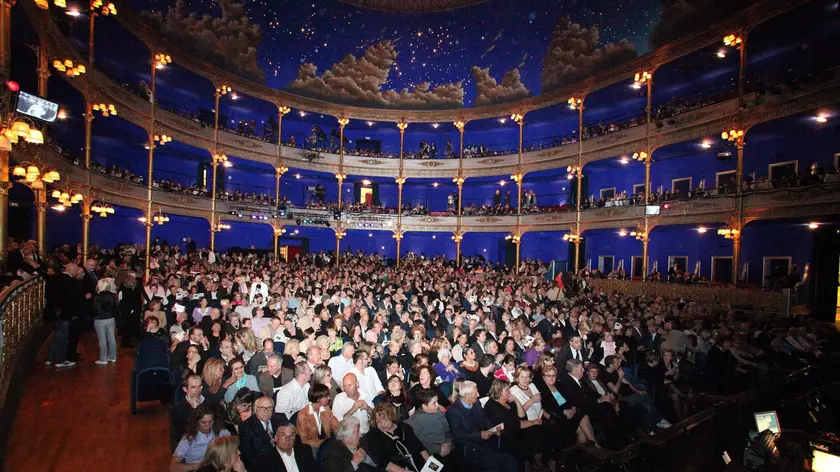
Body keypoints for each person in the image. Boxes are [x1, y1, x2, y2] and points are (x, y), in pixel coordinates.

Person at [445, 380, 516, 472]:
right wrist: (480, 435)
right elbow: (458, 435)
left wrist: (494, 428)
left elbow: (485, 420)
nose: (478, 395)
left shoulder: (476, 404)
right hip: (470, 448)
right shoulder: (454, 411)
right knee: (494, 465)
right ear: (466, 395)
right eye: (475, 393)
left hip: (484, 445)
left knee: (510, 459)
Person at [367, 402, 429, 472]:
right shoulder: (374, 435)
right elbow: (382, 462)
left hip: (420, 466)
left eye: (385, 419)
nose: (382, 424)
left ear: (392, 417)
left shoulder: (404, 428)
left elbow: (420, 448)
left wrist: (432, 466)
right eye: (378, 421)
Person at [171, 404, 231, 472]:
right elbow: (173, 467)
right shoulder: (188, 440)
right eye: (203, 422)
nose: (208, 425)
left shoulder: (219, 431)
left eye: (211, 421)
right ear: (196, 421)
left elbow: (232, 442)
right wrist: (196, 466)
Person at [45, 262, 81, 368]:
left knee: (55, 336)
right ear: (73, 271)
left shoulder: (53, 278)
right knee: (63, 337)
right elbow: (72, 300)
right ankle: (60, 360)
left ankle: (50, 358)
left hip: (52, 311)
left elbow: (47, 294)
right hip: (65, 313)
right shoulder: (72, 282)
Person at [238, 396, 287, 472]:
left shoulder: (281, 418)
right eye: (262, 408)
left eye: (269, 407)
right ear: (255, 409)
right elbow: (249, 457)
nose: (266, 411)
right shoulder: (246, 427)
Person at [249, 421, 319, 472]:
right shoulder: (265, 459)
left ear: (295, 438)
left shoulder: (304, 451)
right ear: (276, 438)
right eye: (283, 435)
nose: (287, 439)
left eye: (291, 436)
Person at [296, 383, 339, 451]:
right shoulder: (302, 415)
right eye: (326, 396)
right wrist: (323, 442)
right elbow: (304, 440)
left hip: (327, 444)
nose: (329, 398)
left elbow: (336, 426)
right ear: (318, 399)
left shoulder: (326, 409)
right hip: (311, 448)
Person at [170, 374, 205, 452]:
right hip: (190, 449)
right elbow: (179, 435)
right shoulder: (176, 410)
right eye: (193, 387)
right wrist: (193, 410)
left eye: (199, 386)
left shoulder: (209, 402)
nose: (197, 390)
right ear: (185, 389)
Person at [92, 277, 119, 365]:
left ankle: (103, 359)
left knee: (102, 339)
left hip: (100, 319)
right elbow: (115, 308)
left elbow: (95, 309)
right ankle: (113, 356)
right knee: (112, 338)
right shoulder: (112, 295)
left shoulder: (97, 297)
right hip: (110, 318)